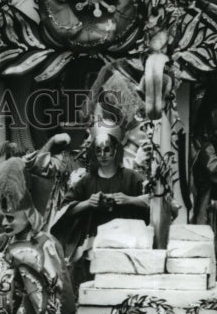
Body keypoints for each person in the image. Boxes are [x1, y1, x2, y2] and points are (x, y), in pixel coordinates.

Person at [49, 121, 148, 286]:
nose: (103, 154)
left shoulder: (133, 178)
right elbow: (65, 210)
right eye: (98, 150)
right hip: (92, 255)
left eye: (107, 149)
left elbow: (154, 201)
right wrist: (88, 203)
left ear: (115, 149)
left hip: (126, 252)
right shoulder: (86, 181)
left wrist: (129, 200)